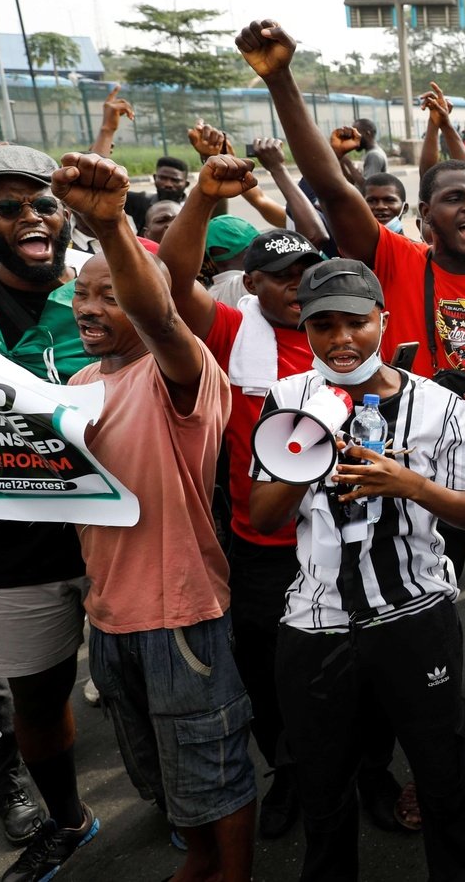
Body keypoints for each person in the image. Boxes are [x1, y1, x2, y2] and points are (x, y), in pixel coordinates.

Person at [237, 18, 465, 774]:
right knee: (413, 621)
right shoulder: (394, 258)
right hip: (407, 479)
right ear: (425, 217)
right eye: (454, 198)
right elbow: (332, 186)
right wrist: (281, 80)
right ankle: (427, 745)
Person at [249, 259, 465, 882]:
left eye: (356, 322)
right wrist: (304, 448)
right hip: (317, 619)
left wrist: (409, 484)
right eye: (322, 325)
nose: (341, 340)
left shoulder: (440, 405)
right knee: (322, 782)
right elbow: (265, 516)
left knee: (440, 767)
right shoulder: (287, 398)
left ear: (383, 319)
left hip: (415, 611)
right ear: (304, 328)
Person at [61, 151, 256, 882]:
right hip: (109, 617)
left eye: (111, 295)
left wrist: (112, 227)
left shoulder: (182, 368)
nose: (89, 308)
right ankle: (200, 861)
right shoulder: (79, 382)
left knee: (213, 767)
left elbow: (161, 317)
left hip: (180, 616)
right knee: (162, 768)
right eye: (82, 295)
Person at [155, 154, 328, 841]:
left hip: (341, 533)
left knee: (354, 663)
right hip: (264, 546)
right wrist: (202, 197)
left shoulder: (344, 333)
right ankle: (288, 770)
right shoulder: (230, 332)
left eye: (308, 272)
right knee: (269, 670)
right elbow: (170, 283)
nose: (299, 286)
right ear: (249, 284)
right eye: (282, 276)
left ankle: (367, 770)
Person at [0, 146, 99, 882]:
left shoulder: (102, 282)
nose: (32, 217)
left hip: (116, 533)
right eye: (7, 206)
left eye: (44, 203)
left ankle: (181, 804)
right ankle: (69, 819)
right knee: (39, 698)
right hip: (10, 548)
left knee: (145, 688)